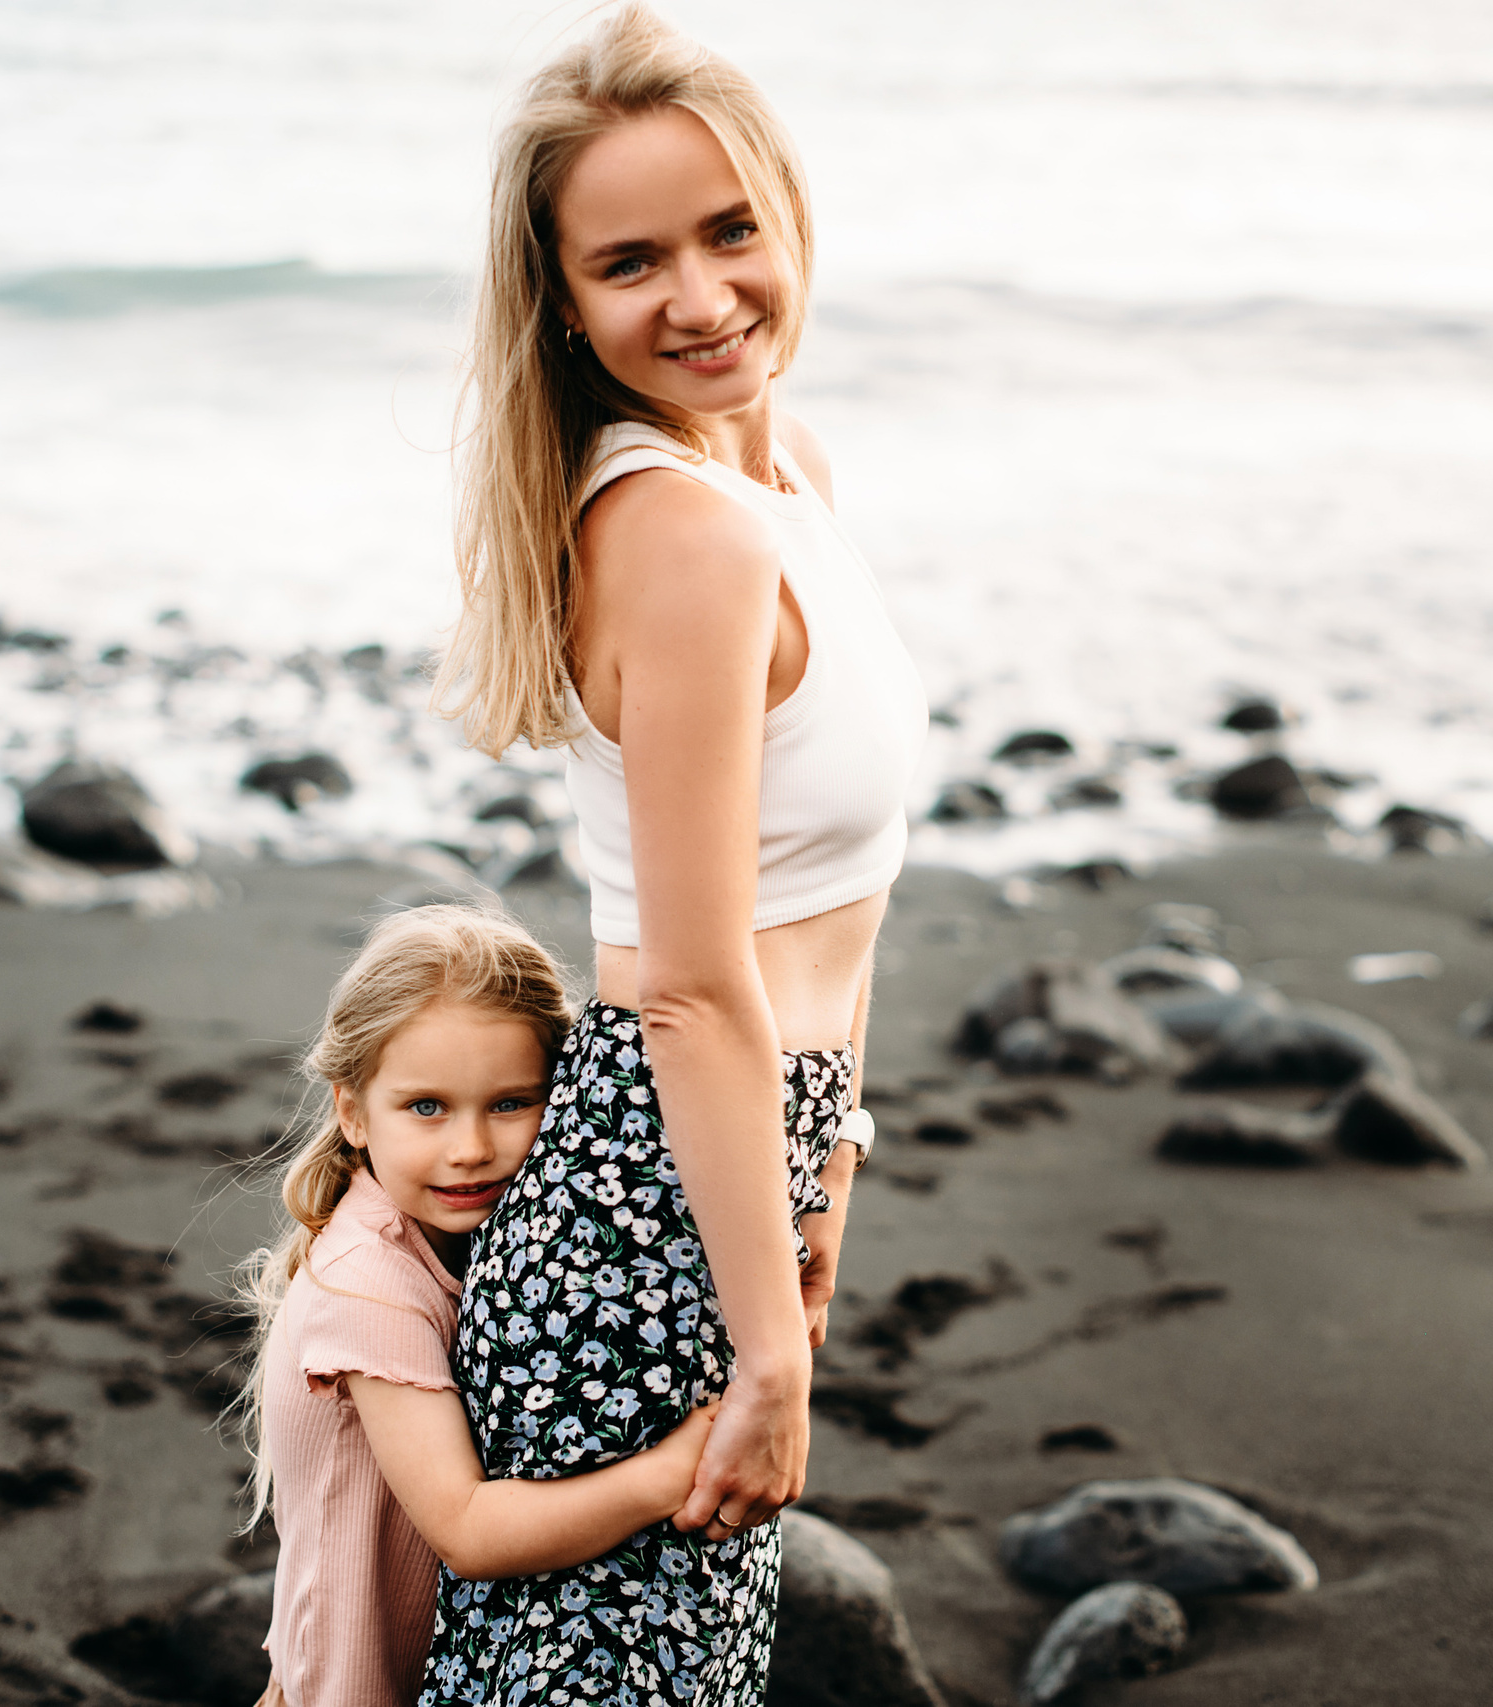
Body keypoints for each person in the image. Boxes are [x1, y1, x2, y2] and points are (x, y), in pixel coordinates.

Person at [420, 5, 929, 1700]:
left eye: (730, 231)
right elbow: (703, 988)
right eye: (629, 261)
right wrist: (774, 1351)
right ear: (563, 305)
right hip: (654, 1195)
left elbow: (831, 911)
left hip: (745, 1157)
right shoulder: (679, 538)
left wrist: (834, 1168)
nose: (701, 297)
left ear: (789, 214)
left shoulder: (787, 476)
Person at [234, 904, 719, 1707]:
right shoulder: (366, 1284)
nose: (470, 1147)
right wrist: (669, 1474)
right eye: (426, 1106)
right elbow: (466, 1530)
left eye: (508, 1103)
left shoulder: (476, 1237)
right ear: (352, 1110)